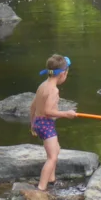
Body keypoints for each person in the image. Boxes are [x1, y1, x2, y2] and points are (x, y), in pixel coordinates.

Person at [28, 54, 77, 191]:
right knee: (52, 157)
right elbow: (48, 111)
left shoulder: (42, 85)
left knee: (56, 149)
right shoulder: (53, 90)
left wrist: (32, 123)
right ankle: (41, 188)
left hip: (39, 122)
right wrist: (66, 114)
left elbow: (33, 106)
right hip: (46, 125)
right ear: (62, 74)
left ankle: (51, 179)